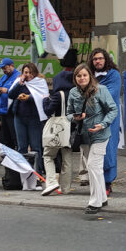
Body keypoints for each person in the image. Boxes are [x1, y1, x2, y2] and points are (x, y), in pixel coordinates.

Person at [67, 63, 119, 214]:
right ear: (75, 78)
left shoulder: (100, 90)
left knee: (92, 166)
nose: (82, 78)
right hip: (84, 135)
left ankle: (95, 202)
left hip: (100, 134)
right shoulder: (73, 93)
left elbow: (113, 109)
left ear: (90, 76)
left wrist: (103, 124)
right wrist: (75, 117)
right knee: (95, 168)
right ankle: (102, 197)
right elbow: (68, 113)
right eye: (79, 76)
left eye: (84, 75)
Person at [42, 50, 78, 195]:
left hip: (57, 128)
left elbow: (47, 110)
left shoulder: (58, 95)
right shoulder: (76, 94)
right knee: (67, 158)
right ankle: (66, 188)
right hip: (71, 128)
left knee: (48, 155)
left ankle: (51, 182)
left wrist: (45, 100)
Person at [90, 48, 122, 194]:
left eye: (100, 58)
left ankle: (107, 182)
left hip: (109, 119)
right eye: (95, 59)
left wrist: (91, 91)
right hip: (92, 118)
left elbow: (110, 93)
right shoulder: (89, 75)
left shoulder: (114, 74)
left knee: (108, 149)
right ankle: (96, 181)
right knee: (94, 151)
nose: (98, 61)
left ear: (106, 59)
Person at [7, 62, 48, 174]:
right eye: (26, 72)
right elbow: (11, 94)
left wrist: (29, 98)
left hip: (34, 118)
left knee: (35, 146)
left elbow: (44, 97)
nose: (28, 75)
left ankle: (37, 172)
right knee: (21, 146)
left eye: (30, 72)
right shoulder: (19, 81)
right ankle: (23, 172)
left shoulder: (40, 82)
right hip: (19, 117)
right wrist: (19, 84)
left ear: (35, 73)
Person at [0, 57, 20, 149]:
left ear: (11, 66)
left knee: (14, 136)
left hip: (12, 110)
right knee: (6, 137)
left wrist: (7, 90)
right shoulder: (3, 77)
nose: (3, 70)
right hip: (3, 110)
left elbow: (20, 91)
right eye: (2, 68)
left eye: (5, 68)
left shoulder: (18, 76)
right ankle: (9, 157)